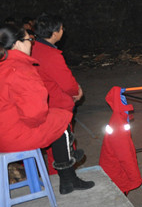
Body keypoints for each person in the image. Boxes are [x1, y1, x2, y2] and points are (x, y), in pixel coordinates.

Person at [0, 25, 94, 193]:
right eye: (29, 40)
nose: (32, 44)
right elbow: (34, 114)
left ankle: (68, 172)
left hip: (4, 131)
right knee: (62, 121)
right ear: (17, 44)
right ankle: (68, 175)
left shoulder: (4, 65)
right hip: (14, 136)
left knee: (58, 118)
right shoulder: (21, 70)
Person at [31, 14, 93, 193]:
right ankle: (66, 180)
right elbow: (67, 83)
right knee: (63, 146)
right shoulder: (50, 55)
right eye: (61, 28)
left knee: (56, 147)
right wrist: (77, 91)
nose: (63, 31)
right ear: (54, 32)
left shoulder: (35, 48)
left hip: (43, 104)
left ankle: (63, 181)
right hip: (57, 105)